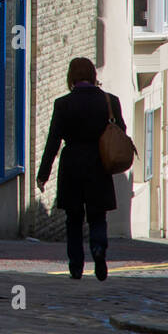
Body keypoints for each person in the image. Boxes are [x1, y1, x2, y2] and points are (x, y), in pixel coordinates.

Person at [37, 57, 125, 280]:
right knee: (97, 216)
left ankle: (76, 266)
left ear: (71, 77)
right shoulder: (110, 101)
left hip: (72, 165)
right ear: (93, 75)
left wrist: (43, 175)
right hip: (99, 164)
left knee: (73, 219)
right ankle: (98, 248)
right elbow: (121, 131)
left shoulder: (63, 104)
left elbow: (53, 141)